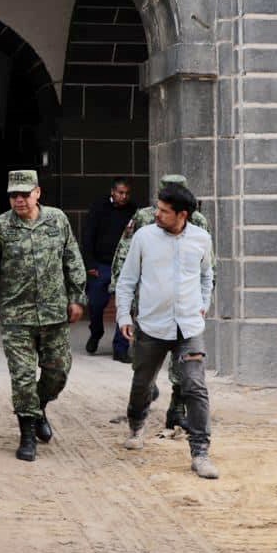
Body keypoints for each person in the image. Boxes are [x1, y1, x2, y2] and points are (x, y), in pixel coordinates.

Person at [0, 170, 87, 461]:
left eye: (25, 194)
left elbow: (72, 258)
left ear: (38, 192)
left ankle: (38, 409)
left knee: (58, 373)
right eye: (14, 195)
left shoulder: (57, 220)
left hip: (54, 314)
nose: (19, 200)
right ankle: (27, 435)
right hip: (17, 317)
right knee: (23, 378)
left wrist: (77, 297)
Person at [115, 182, 219, 479]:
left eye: (164, 211)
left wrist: (204, 302)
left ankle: (200, 452)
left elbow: (206, 273)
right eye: (157, 209)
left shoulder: (201, 239)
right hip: (151, 325)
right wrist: (124, 315)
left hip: (188, 326)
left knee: (195, 386)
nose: (157, 214)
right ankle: (137, 425)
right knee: (142, 383)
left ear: (182, 214)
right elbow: (127, 279)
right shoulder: (144, 237)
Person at [81, 177, 135, 359]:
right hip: (101, 266)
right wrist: (89, 264)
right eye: (121, 192)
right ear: (113, 192)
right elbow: (87, 236)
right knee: (96, 304)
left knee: (125, 306)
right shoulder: (99, 208)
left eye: (127, 193)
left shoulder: (133, 210)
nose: (124, 196)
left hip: (124, 267)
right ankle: (96, 333)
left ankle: (120, 349)